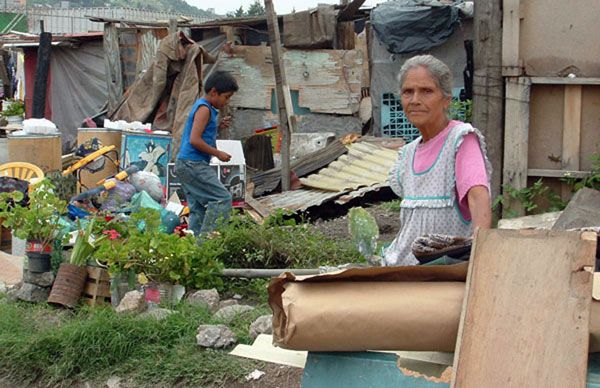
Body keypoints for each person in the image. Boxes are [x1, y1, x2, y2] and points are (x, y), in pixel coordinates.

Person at [383, 55, 492, 266]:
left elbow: (478, 198)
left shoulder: (460, 140)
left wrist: (481, 259)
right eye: (408, 92)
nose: (415, 100)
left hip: (441, 272)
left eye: (426, 91)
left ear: (446, 99)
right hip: (402, 269)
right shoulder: (408, 152)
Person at [175, 70, 239, 238]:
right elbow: (195, 140)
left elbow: (200, 134)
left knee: (198, 209)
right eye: (226, 97)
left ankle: (195, 251)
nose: (227, 101)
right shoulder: (204, 109)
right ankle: (210, 244)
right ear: (213, 92)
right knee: (222, 199)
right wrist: (218, 153)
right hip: (193, 164)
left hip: (185, 164)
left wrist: (217, 128)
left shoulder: (205, 108)